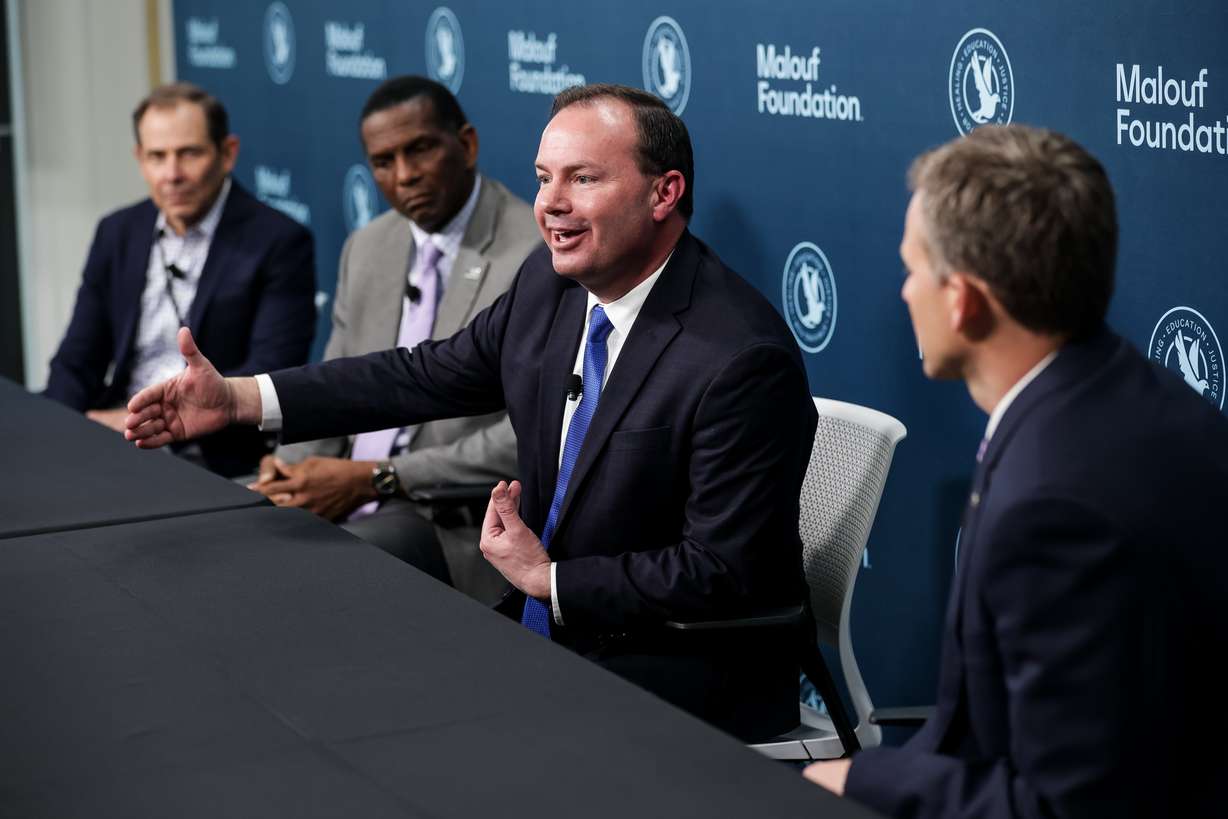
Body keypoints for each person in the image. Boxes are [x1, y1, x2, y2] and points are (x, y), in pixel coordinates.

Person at [125, 83, 816, 742]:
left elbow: (721, 573)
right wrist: (242, 398)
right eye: (544, 178)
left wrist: (546, 578)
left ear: (665, 192)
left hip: (684, 661)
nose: (550, 205)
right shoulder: (552, 286)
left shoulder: (738, 357)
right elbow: (421, 375)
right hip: (559, 627)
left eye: (583, 179)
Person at [804, 124, 1228, 817]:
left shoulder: (1054, 505)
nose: (906, 290)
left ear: (963, 301)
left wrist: (860, 781)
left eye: (915, 268)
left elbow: (1065, 806)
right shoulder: (1126, 395)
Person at [249, 76, 539, 603]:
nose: (404, 176)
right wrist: (293, 467)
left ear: (466, 144)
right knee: (234, 531)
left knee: (314, 574)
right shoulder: (367, 246)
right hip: (349, 492)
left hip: (453, 519)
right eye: (384, 162)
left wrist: (375, 477)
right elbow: (339, 377)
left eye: (421, 149)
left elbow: (528, 438)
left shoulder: (534, 256)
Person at [45, 82, 316, 477]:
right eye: (157, 156)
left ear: (227, 154)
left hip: (212, 454)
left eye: (189, 154)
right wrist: (62, 432)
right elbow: (75, 360)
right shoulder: (118, 232)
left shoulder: (279, 242)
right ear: (140, 160)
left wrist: (140, 424)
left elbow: (269, 372)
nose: (172, 174)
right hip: (114, 435)